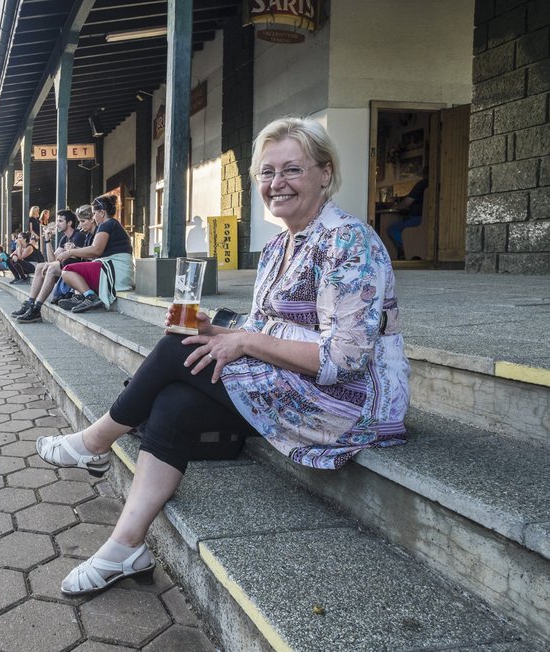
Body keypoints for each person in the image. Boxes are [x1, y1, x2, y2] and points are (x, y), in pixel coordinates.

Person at [35, 116, 410, 596]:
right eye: (268, 173)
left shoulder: (348, 242)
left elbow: (345, 360)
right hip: (289, 379)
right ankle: (124, 548)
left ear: (325, 174)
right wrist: (220, 330)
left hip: (349, 402)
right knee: (175, 394)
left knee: (176, 350)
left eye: (292, 169)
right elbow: (263, 323)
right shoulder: (279, 245)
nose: (278, 184)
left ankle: (96, 441)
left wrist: (245, 342)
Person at [56, 194, 134, 313]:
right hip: (117, 271)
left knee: (67, 270)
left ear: (102, 213)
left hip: (115, 272)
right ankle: (82, 296)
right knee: (77, 268)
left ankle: (90, 297)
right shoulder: (112, 224)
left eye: (94, 213)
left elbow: (96, 250)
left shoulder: (106, 224)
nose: (93, 216)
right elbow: (94, 253)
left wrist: (70, 252)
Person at [12, 209, 80, 323]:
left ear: (69, 223)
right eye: (57, 221)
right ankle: (30, 303)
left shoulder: (78, 236)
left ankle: (37, 308)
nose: (57, 224)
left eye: (60, 221)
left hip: (74, 272)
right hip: (65, 269)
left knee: (51, 268)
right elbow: (52, 259)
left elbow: (77, 259)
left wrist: (51, 263)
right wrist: (47, 240)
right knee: (40, 267)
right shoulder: (64, 238)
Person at [386, 169, 428, 260]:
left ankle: (406, 250)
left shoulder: (421, 184)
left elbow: (407, 203)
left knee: (392, 229)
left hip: (418, 218)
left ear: (424, 174)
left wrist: (398, 206)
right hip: (430, 220)